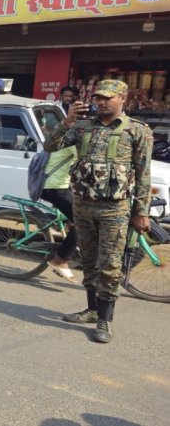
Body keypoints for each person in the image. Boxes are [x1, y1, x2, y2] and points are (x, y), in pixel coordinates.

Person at [44, 80, 153, 343]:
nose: (101, 102)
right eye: (97, 97)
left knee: (110, 265)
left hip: (114, 210)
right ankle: (92, 310)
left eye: (107, 97)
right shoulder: (82, 127)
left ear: (122, 99)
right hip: (82, 206)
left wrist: (141, 212)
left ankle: (105, 319)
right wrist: (66, 121)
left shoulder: (137, 131)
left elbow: (143, 174)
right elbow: (50, 146)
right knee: (89, 261)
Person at [40, 144, 79, 284]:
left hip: (60, 186)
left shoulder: (68, 137)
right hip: (54, 188)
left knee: (78, 214)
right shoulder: (72, 141)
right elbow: (90, 159)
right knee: (82, 221)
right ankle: (61, 260)